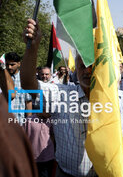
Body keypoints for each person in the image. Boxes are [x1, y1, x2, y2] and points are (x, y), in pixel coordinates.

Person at [21, 19, 99, 176]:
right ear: (75, 69)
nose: (86, 71)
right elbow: (29, 83)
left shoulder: (115, 99)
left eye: (91, 66)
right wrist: (33, 48)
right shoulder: (61, 94)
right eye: (81, 66)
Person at [5, 52, 32, 125]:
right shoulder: (2, 78)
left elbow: (28, 102)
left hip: (19, 122)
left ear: (19, 64)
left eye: (12, 64)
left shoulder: (25, 79)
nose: (9, 67)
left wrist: (29, 122)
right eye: (7, 64)